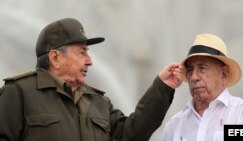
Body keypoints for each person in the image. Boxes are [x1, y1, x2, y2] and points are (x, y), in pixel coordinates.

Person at [0, 18, 184, 141]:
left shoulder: (98, 102)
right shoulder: (19, 92)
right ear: (55, 58)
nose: (90, 61)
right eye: (82, 53)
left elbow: (132, 134)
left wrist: (162, 87)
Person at [160, 33, 243, 141]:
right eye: (189, 69)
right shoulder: (174, 125)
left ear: (224, 74)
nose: (193, 77)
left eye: (202, 68)